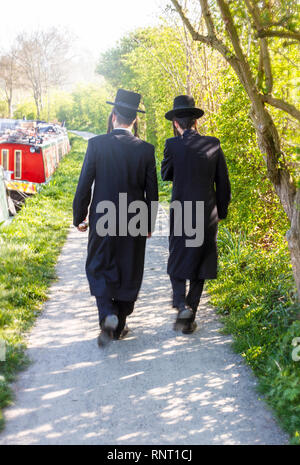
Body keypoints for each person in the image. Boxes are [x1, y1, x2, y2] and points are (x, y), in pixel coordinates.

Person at [73, 89, 158, 347]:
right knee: (129, 268)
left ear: (113, 117)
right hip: (134, 218)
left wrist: (80, 215)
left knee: (99, 266)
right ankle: (120, 322)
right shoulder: (145, 149)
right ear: (134, 121)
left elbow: (84, 184)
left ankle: (107, 314)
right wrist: (149, 224)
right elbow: (151, 191)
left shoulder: (96, 144)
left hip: (102, 217)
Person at [161, 95, 231, 334]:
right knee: (200, 263)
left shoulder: (172, 145)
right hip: (207, 213)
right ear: (196, 122)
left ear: (175, 123)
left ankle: (181, 304)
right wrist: (221, 211)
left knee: (178, 259)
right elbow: (223, 183)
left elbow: (165, 174)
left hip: (181, 210)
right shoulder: (213, 144)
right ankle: (190, 313)